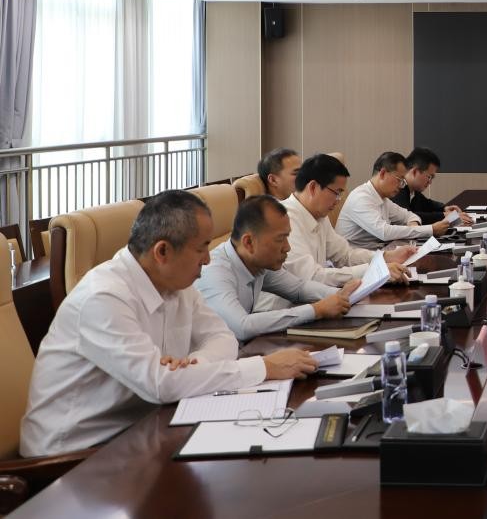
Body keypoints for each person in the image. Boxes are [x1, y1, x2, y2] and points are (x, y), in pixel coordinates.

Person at [20, 190, 319, 457]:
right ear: (162, 251)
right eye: (201, 248)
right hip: (73, 457)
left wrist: (191, 366)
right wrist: (263, 367)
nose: (208, 260)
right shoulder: (103, 297)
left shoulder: (175, 283)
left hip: (145, 428)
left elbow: (223, 337)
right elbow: (160, 385)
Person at [197, 196, 363, 341]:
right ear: (249, 242)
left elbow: (298, 288)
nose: (287, 247)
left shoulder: (257, 263)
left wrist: (339, 295)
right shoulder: (214, 271)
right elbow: (242, 326)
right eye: (280, 239)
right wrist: (317, 310)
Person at [283, 153, 414, 287]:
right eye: (337, 192)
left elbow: (345, 256)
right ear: (313, 187)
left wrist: (386, 257)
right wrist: (374, 270)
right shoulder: (285, 218)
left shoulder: (319, 215)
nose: (338, 200)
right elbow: (312, 277)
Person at [338, 151, 453, 249]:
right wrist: (430, 229)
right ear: (383, 173)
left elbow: (410, 215)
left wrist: (414, 226)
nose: (401, 186)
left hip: (377, 253)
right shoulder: (361, 197)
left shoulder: (383, 199)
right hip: (355, 261)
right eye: (399, 179)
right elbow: (384, 232)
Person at [390, 147, 472, 225]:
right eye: (429, 177)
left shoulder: (413, 191)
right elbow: (409, 216)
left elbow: (428, 204)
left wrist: (444, 208)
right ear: (415, 172)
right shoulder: (398, 189)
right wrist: (445, 216)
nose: (430, 182)